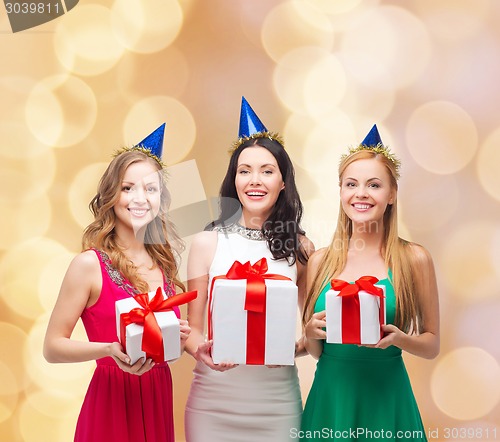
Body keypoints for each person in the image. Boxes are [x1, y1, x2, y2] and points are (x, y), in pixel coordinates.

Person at [43, 124, 191, 442]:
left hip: (157, 396)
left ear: (160, 199)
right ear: (111, 196)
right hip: (110, 401)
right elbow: (52, 347)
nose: (139, 198)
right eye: (128, 188)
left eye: (150, 189)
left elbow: (160, 343)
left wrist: (178, 339)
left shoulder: (164, 263)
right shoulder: (88, 265)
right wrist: (110, 350)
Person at [184, 97, 315, 442]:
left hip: (277, 402)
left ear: (284, 182)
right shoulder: (206, 243)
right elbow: (193, 330)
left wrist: (295, 348)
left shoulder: (301, 248)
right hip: (213, 402)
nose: (254, 180)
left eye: (267, 171)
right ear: (234, 180)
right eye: (245, 171)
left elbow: (310, 332)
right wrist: (201, 350)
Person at [300, 125, 440, 441]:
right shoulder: (321, 261)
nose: (360, 193)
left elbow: (432, 345)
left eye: (373, 185)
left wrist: (399, 338)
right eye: (351, 184)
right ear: (340, 192)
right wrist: (309, 333)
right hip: (332, 399)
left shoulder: (414, 259)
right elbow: (317, 352)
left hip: (387, 397)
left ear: (391, 195)